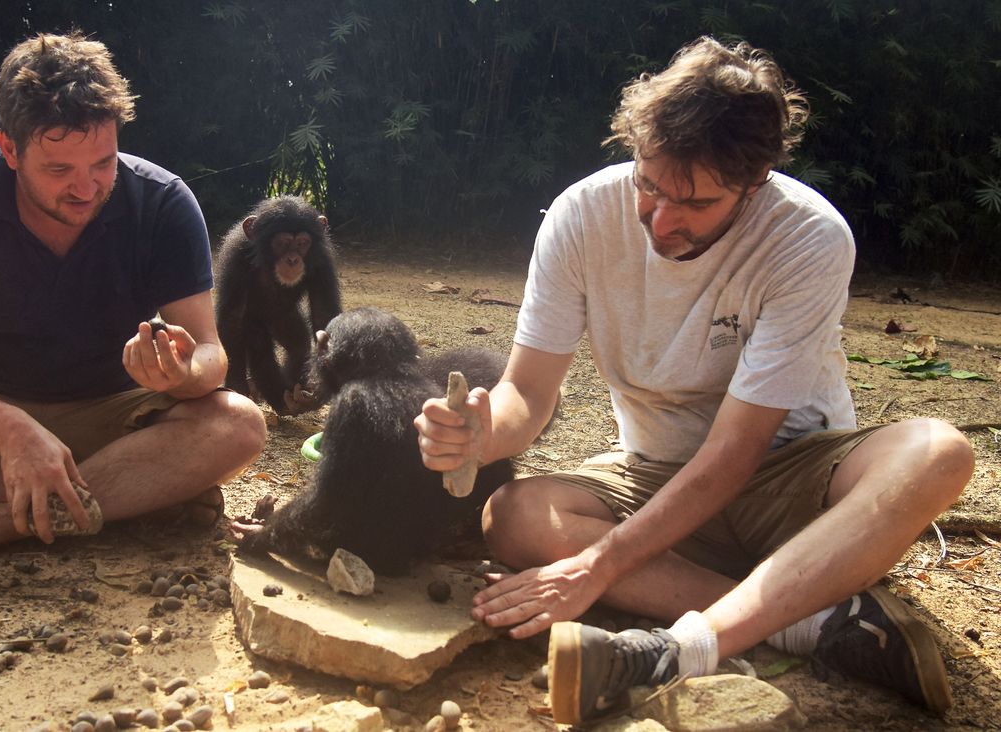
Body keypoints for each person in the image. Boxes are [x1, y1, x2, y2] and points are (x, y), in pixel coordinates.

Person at [415, 37, 973, 723]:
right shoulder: (581, 216)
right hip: (656, 471)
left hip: (790, 480)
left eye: (696, 202)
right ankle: (804, 618)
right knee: (515, 515)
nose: (660, 219)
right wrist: (479, 435)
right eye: (648, 186)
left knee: (938, 453)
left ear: (756, 180)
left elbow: (734, 456)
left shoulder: (808, 238)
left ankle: (686, 644)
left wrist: (600, 567)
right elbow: (528, 394)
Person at [0, 32, 266, 583]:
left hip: (117, 412)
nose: (87, 188)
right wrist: (10, 430)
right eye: (60, 171)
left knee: (239, 424)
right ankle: (136, 493)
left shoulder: (163, 201)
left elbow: (209, 354)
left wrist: (180, 375)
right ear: (9, 149)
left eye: (103, 163)